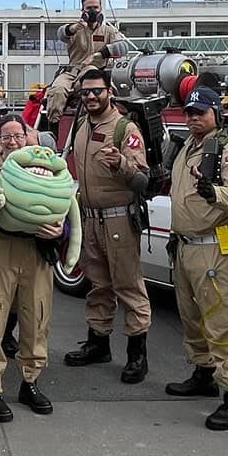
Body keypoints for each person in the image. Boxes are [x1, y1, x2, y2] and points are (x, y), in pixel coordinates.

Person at [162, 86, 228, 431]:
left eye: (200, 113)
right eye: (189, 113)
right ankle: (203, 372)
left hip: (216, 247)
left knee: (223, 320)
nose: (193, 119)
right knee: (192, 317)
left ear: (216, 114)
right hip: (186, 246)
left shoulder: (227, 150)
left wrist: (215, 192)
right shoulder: (187, 147)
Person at [0, 116, 64, 422]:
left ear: (28, 136)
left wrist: (61, 232)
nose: (13, 143)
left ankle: (30, 382)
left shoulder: (47, 166)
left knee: (37, 316)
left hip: (36, 250)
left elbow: (64, 203)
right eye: (6, 138)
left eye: (18, 136)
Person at [59, 67, 153, 382]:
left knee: (128, 286)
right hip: (90, 220)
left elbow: (143, 179)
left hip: (119, 221)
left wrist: (122, 164)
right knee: (98, 285)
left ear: (109, 91)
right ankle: (98, 344)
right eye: (85, 92)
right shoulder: (81, 125)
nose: (90, 97)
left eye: (96, 91)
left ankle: (137, 355)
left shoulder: (125, 129)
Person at [41, 0, 124, 128]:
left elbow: (122, 47)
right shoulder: (75, 28)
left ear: (101, 9)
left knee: (91, 83)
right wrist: (74, 28)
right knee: (57, 90)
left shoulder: (109, 31)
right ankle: (54, 130)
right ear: (82, 10)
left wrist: (98, 55)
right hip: (71, 72)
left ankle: (90, 126)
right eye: (88, 8)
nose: (92, 11)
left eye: (95, 8)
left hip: (94, 73)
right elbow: (62, 34)